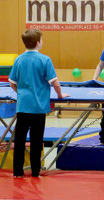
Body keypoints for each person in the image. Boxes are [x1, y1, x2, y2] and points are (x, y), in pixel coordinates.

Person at [9, 29, 68, 178]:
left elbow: (12, 83)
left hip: (23, 106)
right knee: (36, 140)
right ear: (38, 43)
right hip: (39, 108)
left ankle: (17, 172)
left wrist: (21, 94)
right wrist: (61, 94)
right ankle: (35, 172)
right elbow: (55, 83)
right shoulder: (45, 60)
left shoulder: (19, 59)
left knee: (20, 140)